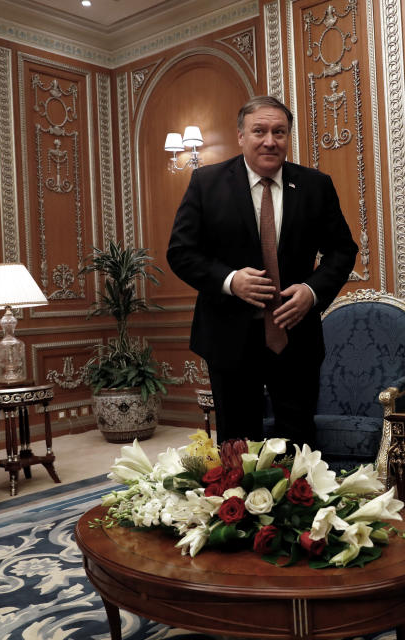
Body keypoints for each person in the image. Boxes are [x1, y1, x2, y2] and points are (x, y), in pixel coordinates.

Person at [167, 96, 358, 447]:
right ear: (241, 136)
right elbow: (180, 252)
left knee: (299, 443)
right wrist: (230, 280)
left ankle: (301, 501)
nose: (270, 140)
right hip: (228, 336)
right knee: (238, 445)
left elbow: (343, 251)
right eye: (259, 131)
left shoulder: (317, 185)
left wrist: (312, 291)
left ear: (288, 137)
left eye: (279, 132)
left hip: (296, 337)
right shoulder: (206, 183)